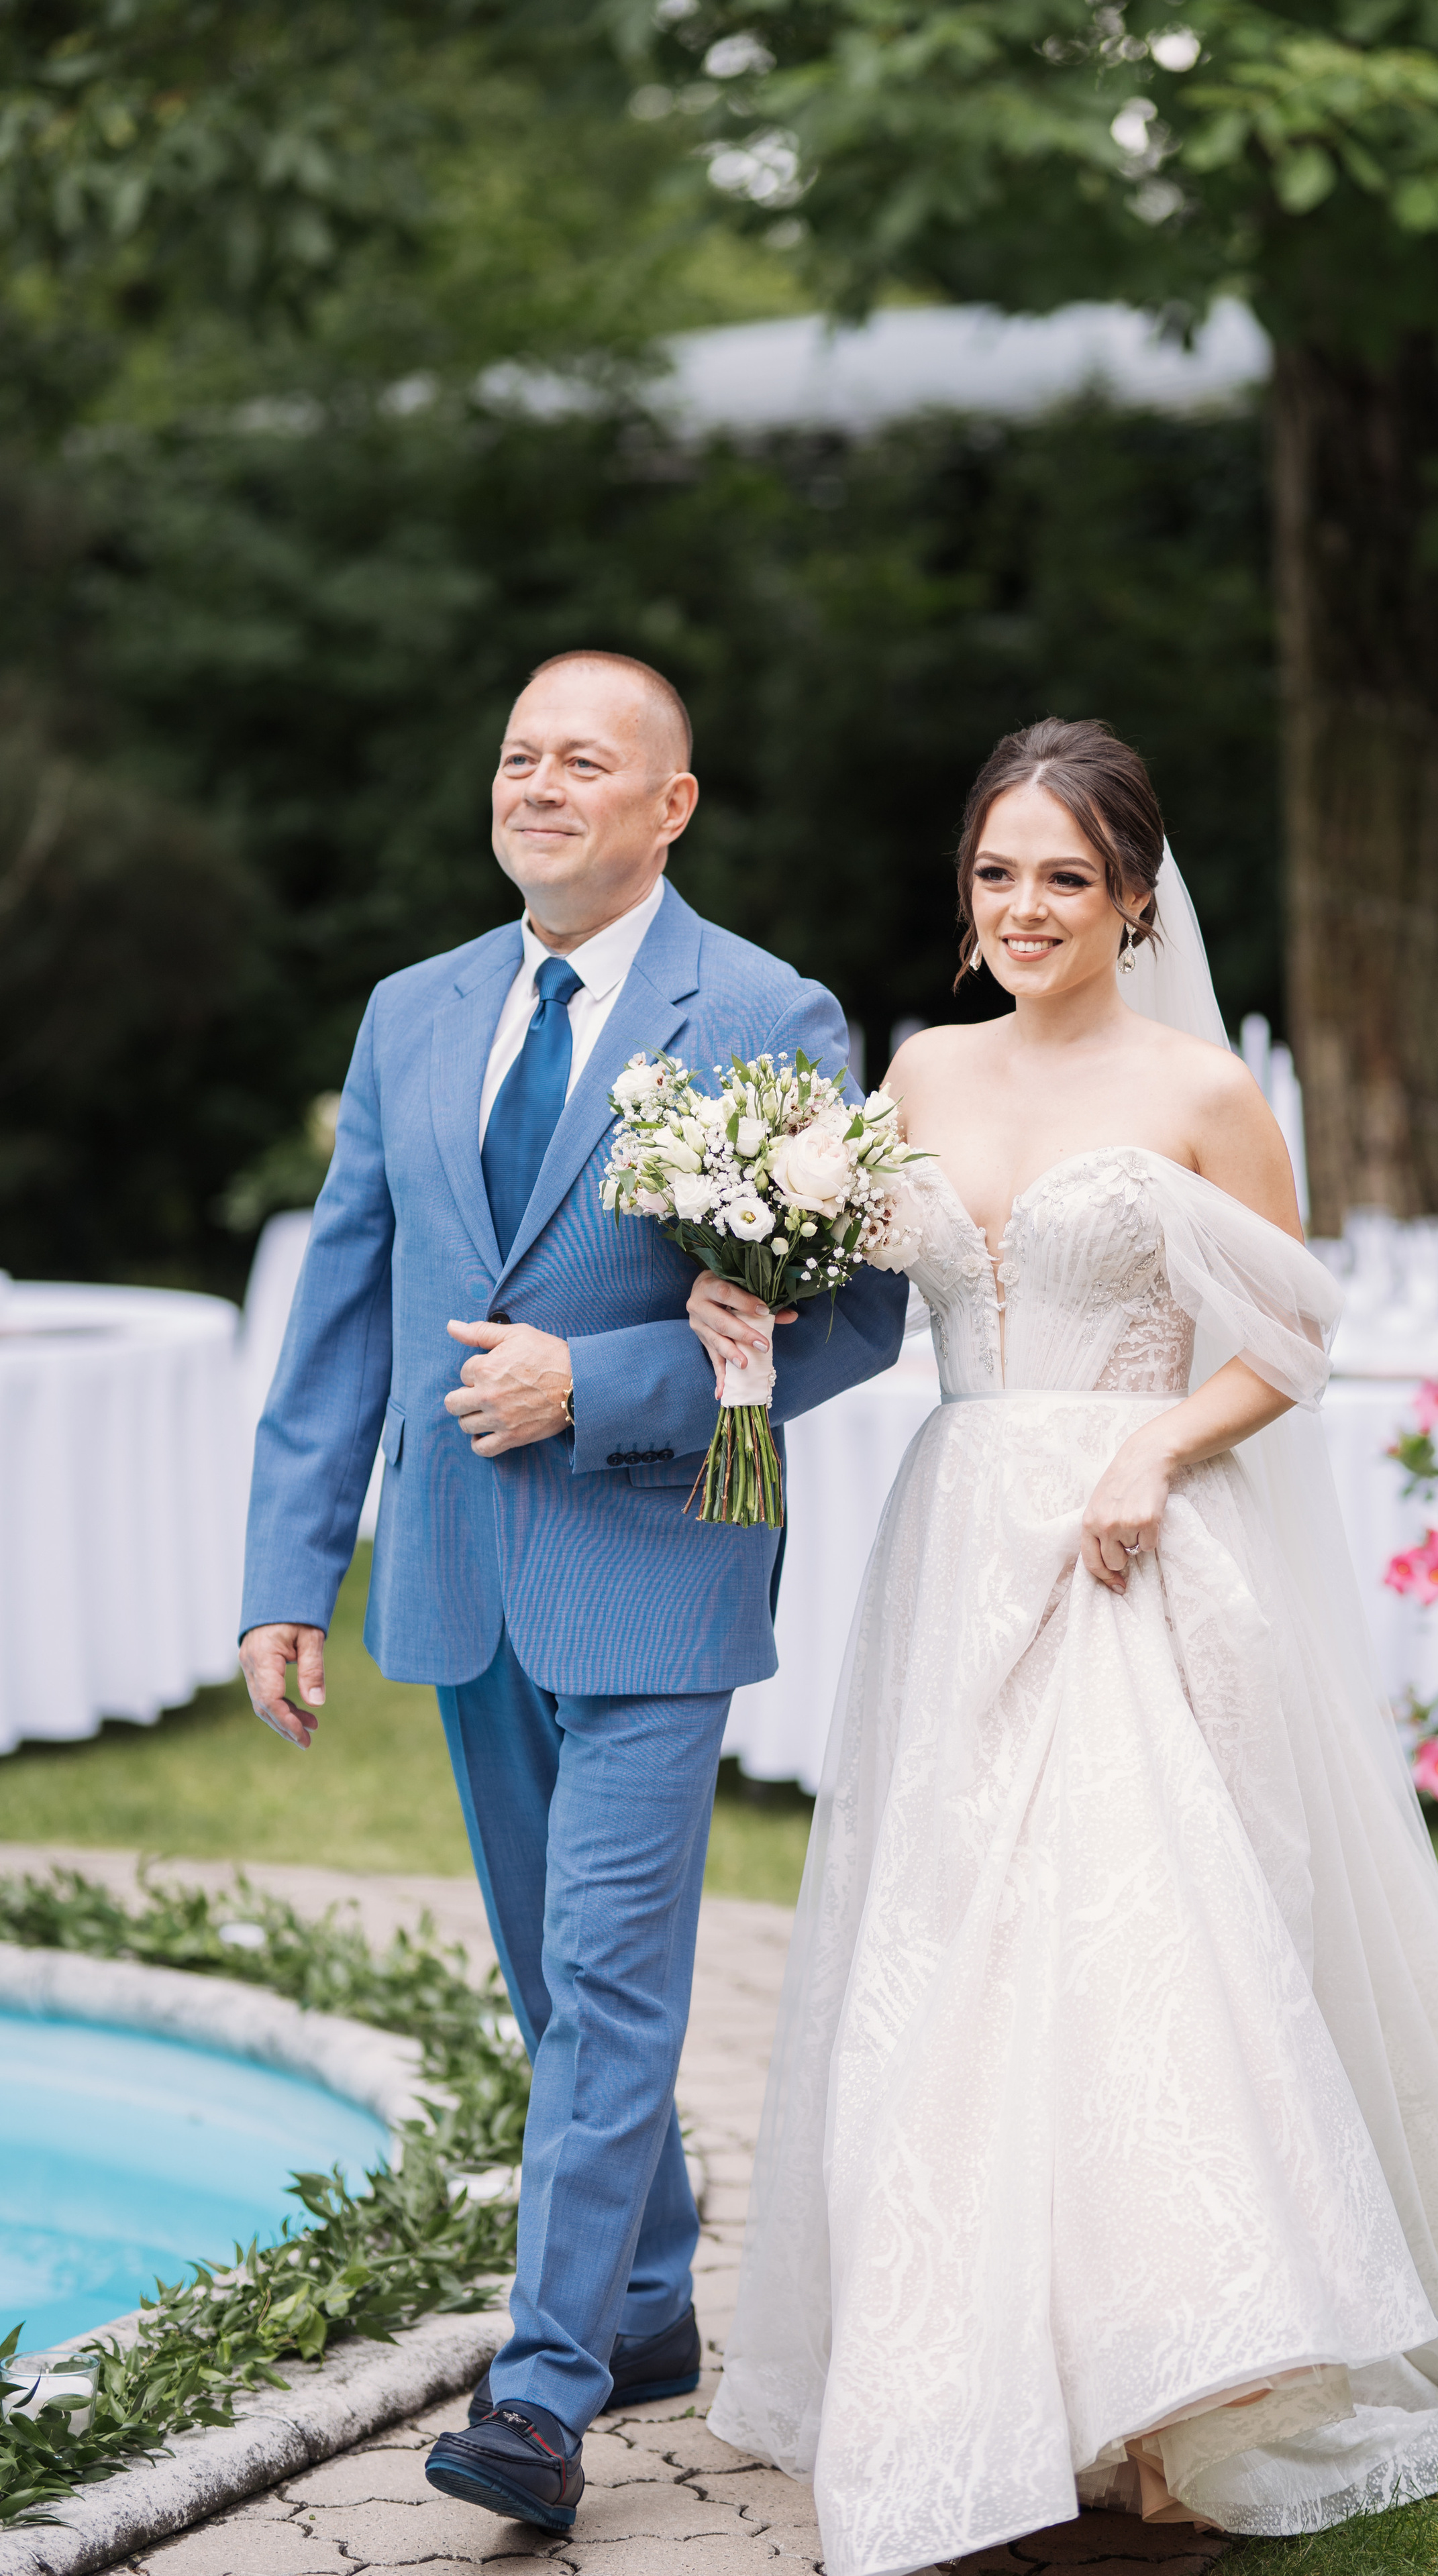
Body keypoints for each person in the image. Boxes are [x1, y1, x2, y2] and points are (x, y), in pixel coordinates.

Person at [705, 717, 1438, 2575]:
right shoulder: (917, 1070)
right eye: (996, 874)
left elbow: (1297, 1335)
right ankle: (983, 2376)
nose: (1024, 907)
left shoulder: (1202, 1091)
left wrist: (1157, 1449)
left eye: (1065, 878)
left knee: (1134, 1960)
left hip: (1137, 1556)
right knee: (956, 1959)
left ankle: (1176, 2405)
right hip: (958, 1547)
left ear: (1135, 900)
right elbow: (862, 1287)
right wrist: (743, 1290)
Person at [238, 649, 907, 2535]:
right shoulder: (413, 1011)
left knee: (610, 1980)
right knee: (558, 1984)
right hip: (459, 1569)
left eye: (583, 761)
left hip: (656, 1564)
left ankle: (541, 2398)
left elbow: (855, 1320)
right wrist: (289, 1572)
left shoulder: (767, 1011)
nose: (537, 784)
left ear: (671, 806)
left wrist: (594, 1384)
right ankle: (649, 2298)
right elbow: (344, 1309)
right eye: (518, 756)